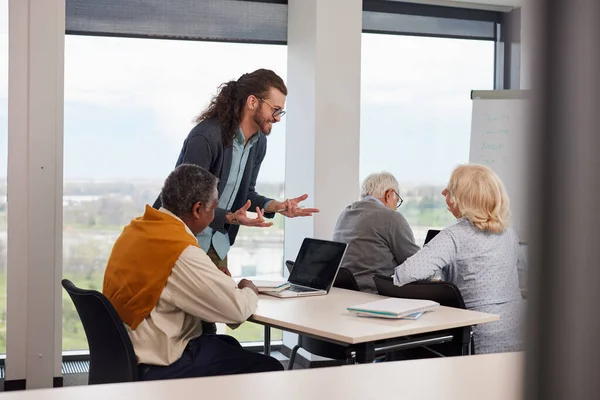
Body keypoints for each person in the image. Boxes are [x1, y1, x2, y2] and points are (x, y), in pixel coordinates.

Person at [103, 164, 284, 380]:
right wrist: (248, 289)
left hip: (127, 353)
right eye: (213, 208)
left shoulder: (136, 230)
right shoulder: (180, 250)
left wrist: (214, 280)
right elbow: (236, 311)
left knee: (228, 345)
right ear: (198, 209)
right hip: (163, 361)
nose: (213, 217)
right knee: (271, 367)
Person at [153, 69, 318, 276]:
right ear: (252, 102)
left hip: (218, 244)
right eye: (275, 110)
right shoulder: (206, 137)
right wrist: (231, 217)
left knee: (222, 307)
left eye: (280, 112)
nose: (277, 119)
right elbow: (186, 202)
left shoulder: (258, 143)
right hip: (183, 242)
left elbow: (245, 193)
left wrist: (275, 206)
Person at [393, 164, 524, 354]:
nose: (443, 192)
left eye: (450, 189)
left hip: (477, 334)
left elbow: (405, 274)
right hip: (517, 328)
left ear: (465, 197)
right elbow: (518, 271)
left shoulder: (455, 235)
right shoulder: (509, 232)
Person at [332, 172, 420, 293]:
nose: (396, 206)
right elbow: (417, 265)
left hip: (345, 293)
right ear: (389, 194)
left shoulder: (346, 212)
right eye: (397, 200)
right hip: (376, 295)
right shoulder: (391, 217)